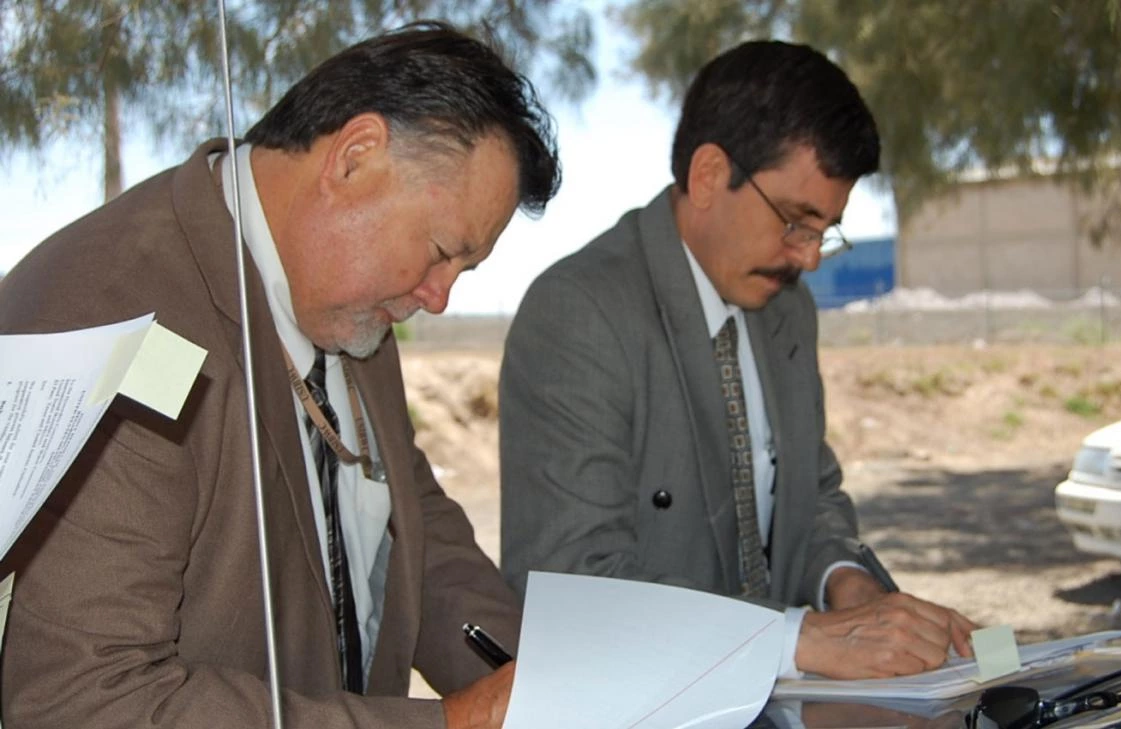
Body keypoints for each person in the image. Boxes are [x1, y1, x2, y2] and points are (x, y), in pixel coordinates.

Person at [0, 22, 553, 729]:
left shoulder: (353, 305)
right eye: (442, 251)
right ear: (355, 158)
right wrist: (449, 723)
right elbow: (86, 699)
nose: (439, 297)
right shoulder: (112, 311)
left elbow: (412, 523)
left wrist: (538, 677)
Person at [499, 39, 976, 679]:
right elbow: (571, 585)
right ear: (707, 175)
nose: (808, 257)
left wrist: (847, 586)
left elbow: (813, 490)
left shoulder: (787, 308)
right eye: (795, 221)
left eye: (824, 230)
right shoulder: (581, 313)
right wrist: (800, 640)